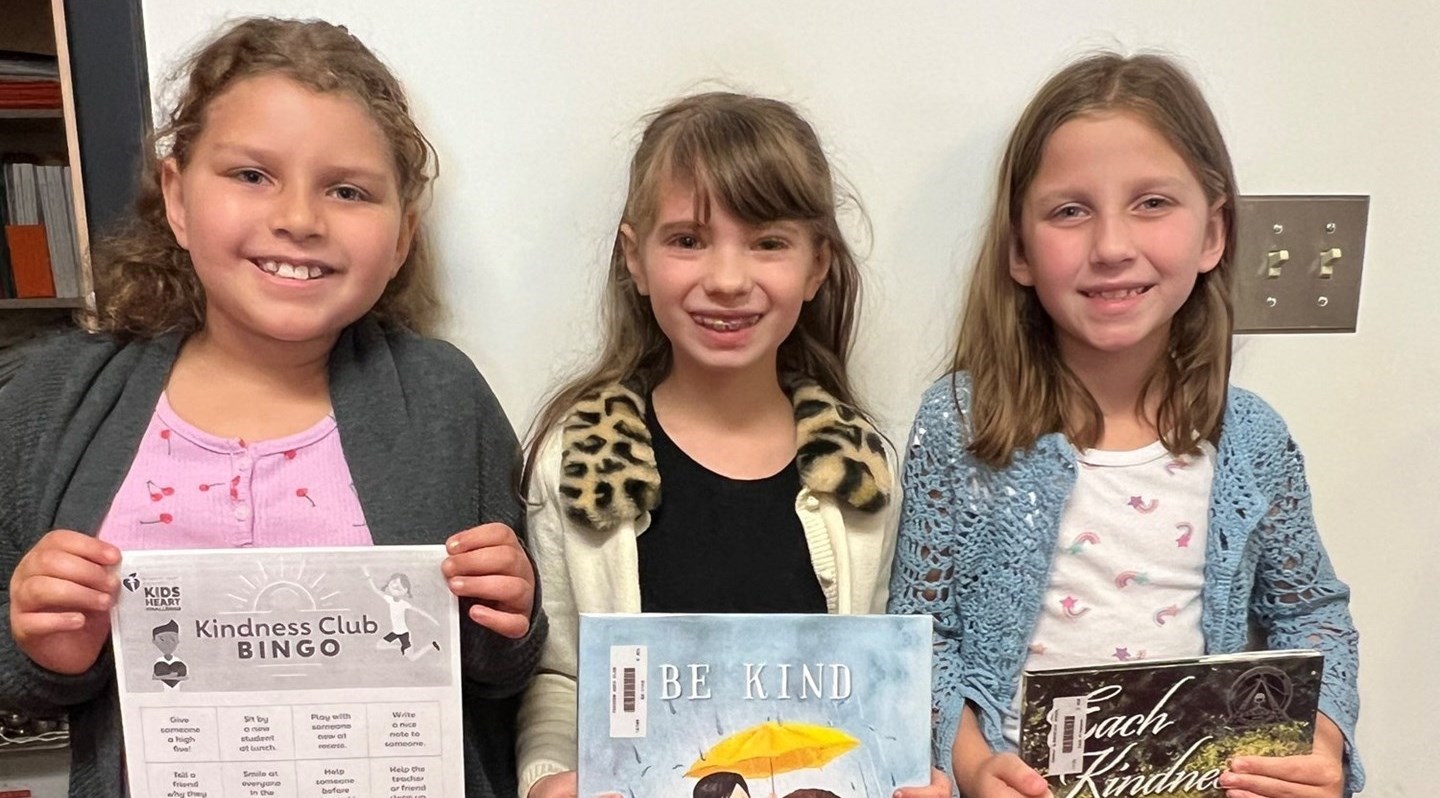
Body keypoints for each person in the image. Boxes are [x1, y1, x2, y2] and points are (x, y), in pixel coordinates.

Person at [0, 17, 543, 798]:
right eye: (252, 175)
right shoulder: (55, 401)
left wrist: (509, 621)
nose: (298, 218)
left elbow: (504, 677)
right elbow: (14, 671)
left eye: (348, 190)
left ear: (400, 239)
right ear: (178, 198)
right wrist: (44, 648)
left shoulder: (442, 401)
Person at [887, 53, 1362, 798]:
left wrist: (1321, 742)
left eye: (1151, 203)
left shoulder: (1252, 439)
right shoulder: (960, 425)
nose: (1111, 246)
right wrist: (971, 760)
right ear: (1019, 249)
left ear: (1214, 234)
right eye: (1070, 210)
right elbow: (921, 637)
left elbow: (1311, 612)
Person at [516, 92, 945, 798]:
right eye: (687, 240)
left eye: (768, 242)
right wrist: (546, 780)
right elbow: (562, 677)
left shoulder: (863, 477)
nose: (726, 279)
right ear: (635, 258)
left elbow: (880, 690)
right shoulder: (575, 464)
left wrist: (906, 776)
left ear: (816, 266)